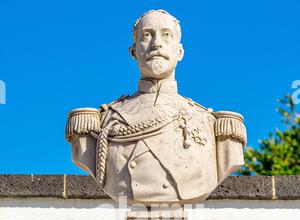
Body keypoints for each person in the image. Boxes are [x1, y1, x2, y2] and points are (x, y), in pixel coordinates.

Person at [66, 9, 246, 205]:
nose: (156, 43)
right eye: (147, 35)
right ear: (133, 51)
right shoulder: (101, 121)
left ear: (180, 52)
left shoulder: (211, 123)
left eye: (166, 35)